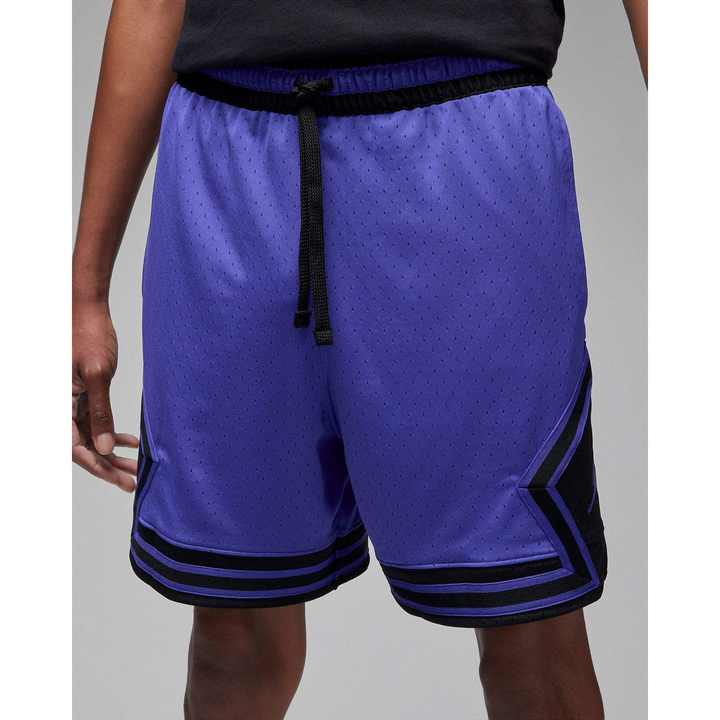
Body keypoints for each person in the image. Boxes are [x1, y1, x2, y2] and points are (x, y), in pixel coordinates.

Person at [72, 2, 647, 718]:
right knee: (232, 634)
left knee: (529, 620)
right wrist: (85, 288)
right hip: (227, 165)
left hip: (465, 148)